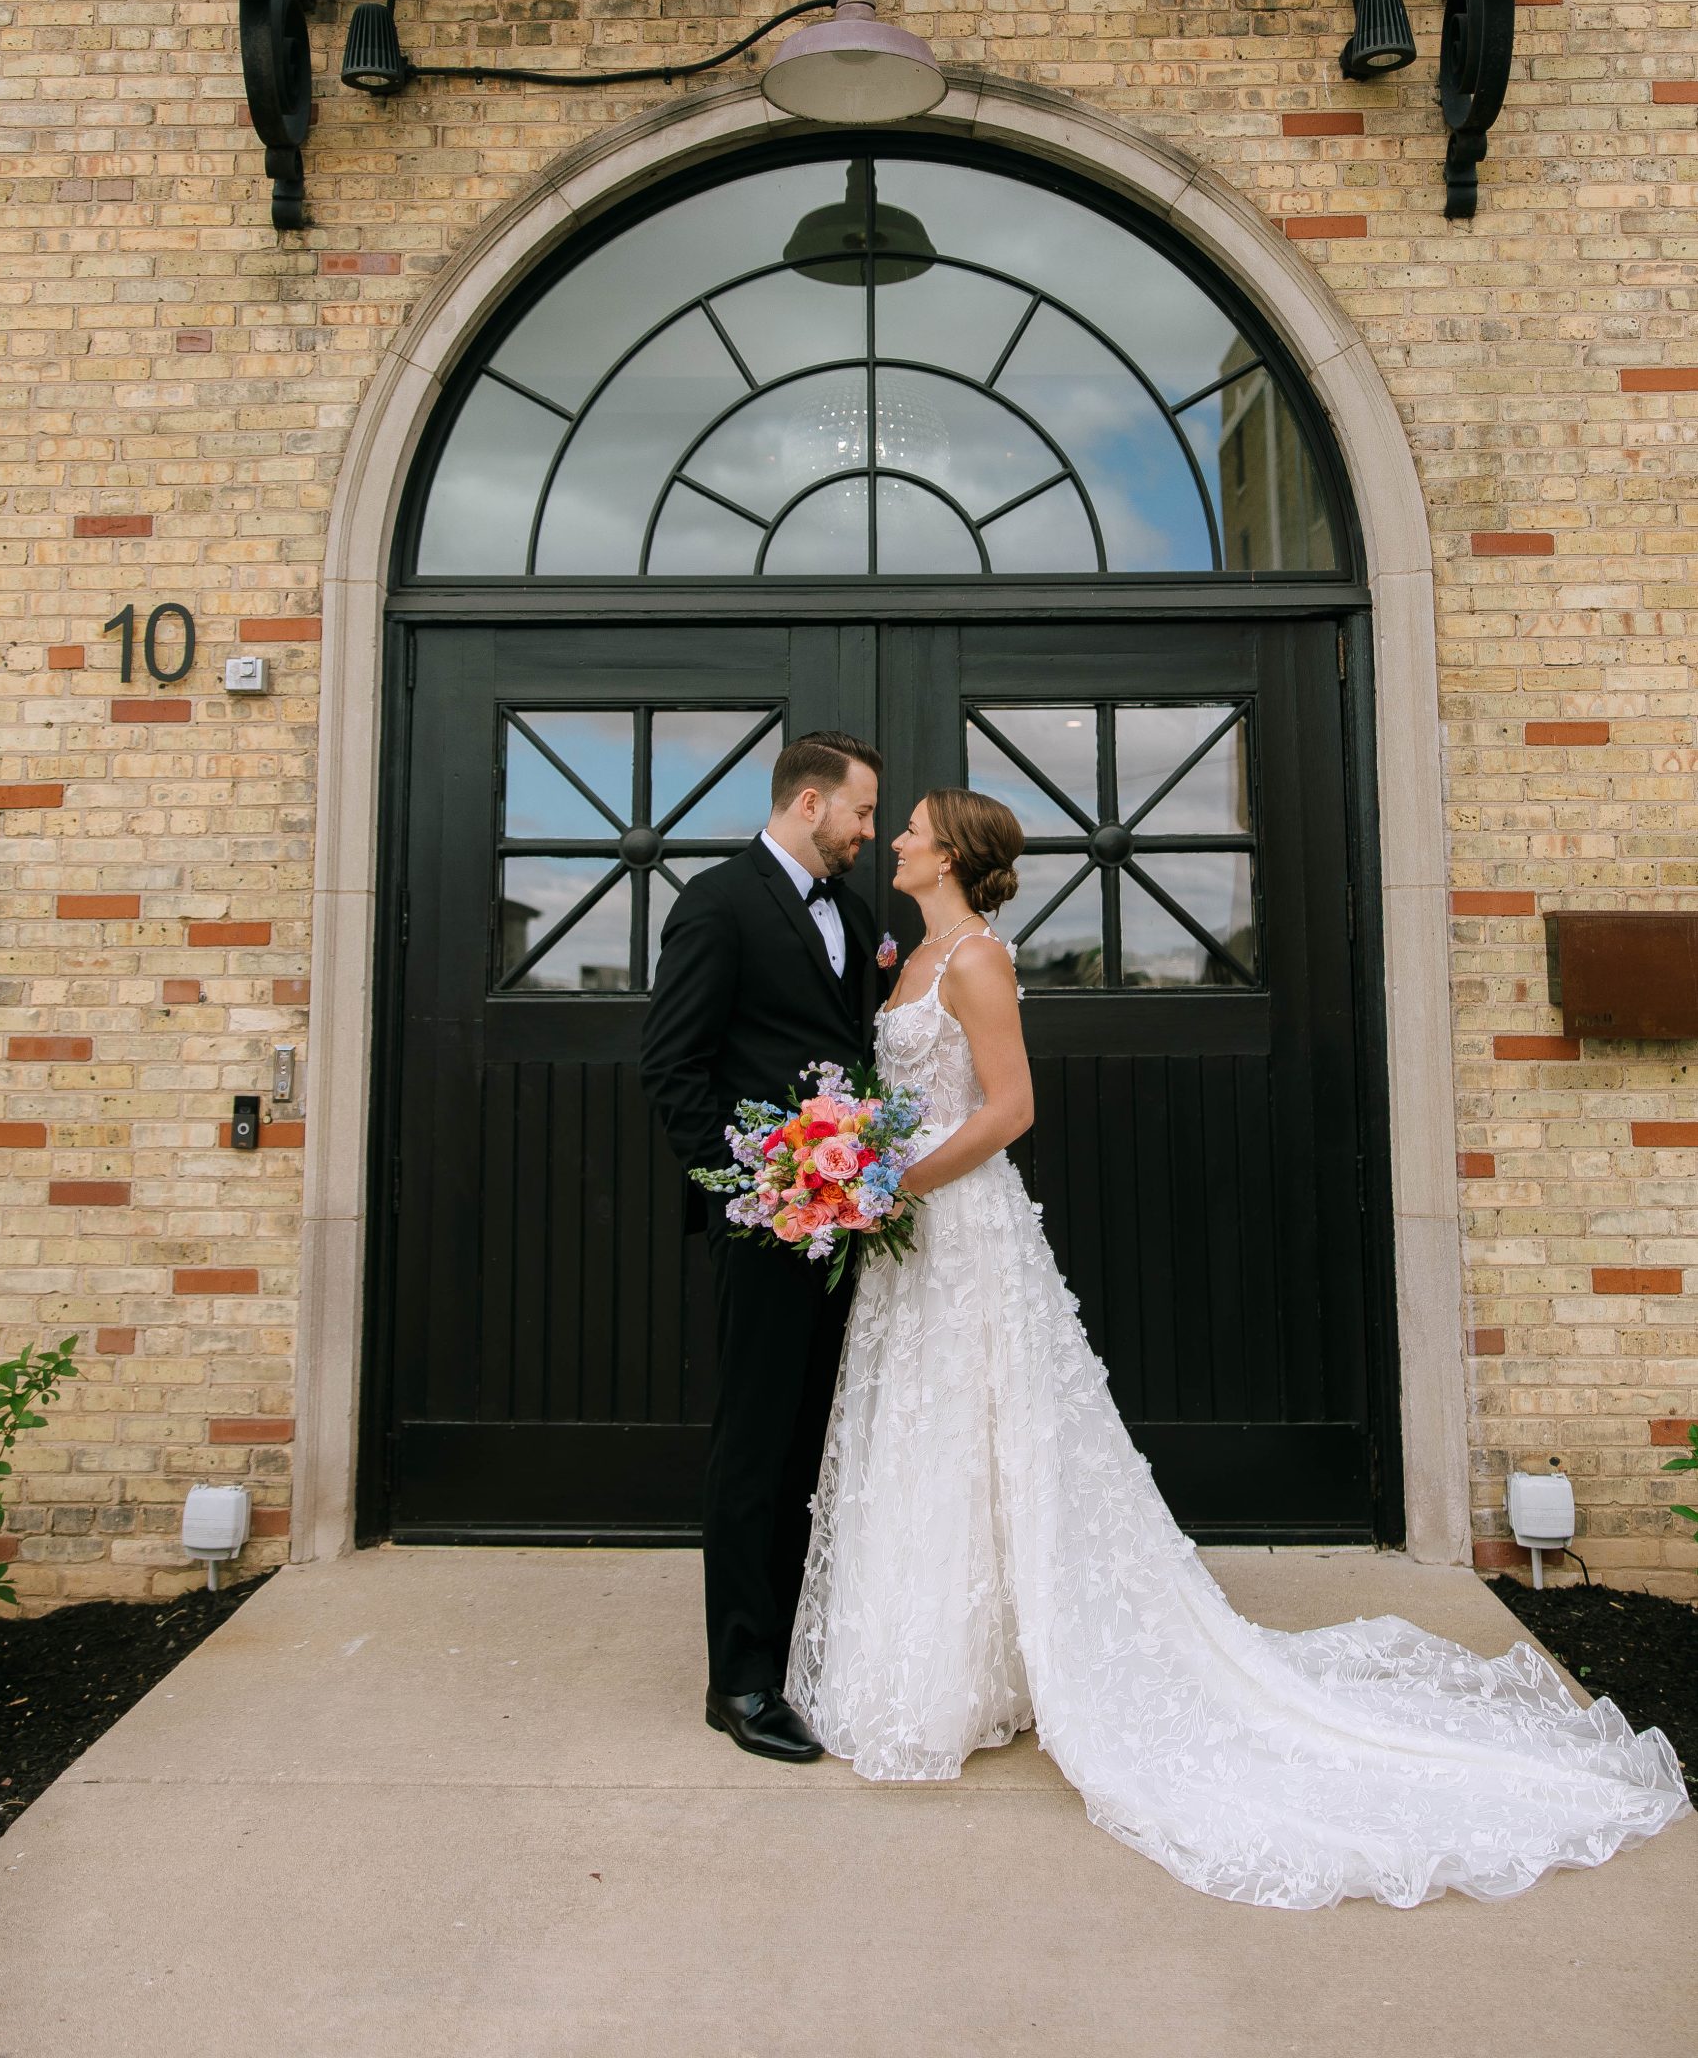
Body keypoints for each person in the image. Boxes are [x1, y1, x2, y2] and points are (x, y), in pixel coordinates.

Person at [787, 787, 1692, 1909]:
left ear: (954, 855)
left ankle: (1008, 1669)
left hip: (960, 1227)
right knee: (927, 1436)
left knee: (991, 1426)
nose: (902, 839)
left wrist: (894, 1180)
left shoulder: (975, 959)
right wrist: (857, 1162)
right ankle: (951, 1671)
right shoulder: (909, 956)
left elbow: (1011, 1107)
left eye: (916, 826)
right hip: (910, 1238)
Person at [640, 730, 886, 1765]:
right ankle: (738, 1679)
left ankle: (796, 1653)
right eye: (863, 813)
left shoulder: (860, 916)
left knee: (811, 1448)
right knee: (753, 1447)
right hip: (765, 1225)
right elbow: (674, 1066)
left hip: (848, 1229)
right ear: (810, 803)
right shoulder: (717, 901)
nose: (871, 833)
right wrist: (748, 1192)